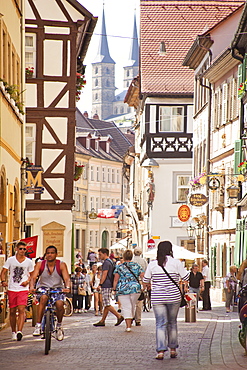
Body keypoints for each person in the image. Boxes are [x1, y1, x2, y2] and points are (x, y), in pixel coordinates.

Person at [143, 241, 189, 360]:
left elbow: (146, 280)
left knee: (160, 324)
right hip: (174, 297)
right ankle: (173, 350)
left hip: (158, 297)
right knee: (172, 323)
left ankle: (161, 351)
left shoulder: (152, 264)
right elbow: (185, 277)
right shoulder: (176, 263)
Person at [30, 245, 70, 340]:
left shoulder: (61, 264)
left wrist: (67, 287)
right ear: (45, 254)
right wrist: (32, 287)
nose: (50, 255)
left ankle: (59, 326)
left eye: (52, 253)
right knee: (43, 298)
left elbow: (66, 278)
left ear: (56, 254)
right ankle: (38, 326)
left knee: (60, 304)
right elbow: (33, 277)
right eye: (48, 253)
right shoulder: (40, 264)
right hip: (43, 287)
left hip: (57, 288)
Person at [0, 241, 34, 341]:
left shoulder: (28, 262)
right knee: (12, 311)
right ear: (16, 249)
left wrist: (27, 281)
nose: (22, 251)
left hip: (23, 289)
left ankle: (19, 331)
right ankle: (13, 331)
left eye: (24, 249)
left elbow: (32, 274)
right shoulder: (10, 260)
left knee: (21, 309)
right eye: (21, 249)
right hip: (12, 288)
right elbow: (3, 272)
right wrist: (3, 281)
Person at [113, 249, 144, 332]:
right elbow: (142, 277)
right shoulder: (137, 266)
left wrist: (114, 289)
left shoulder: (119, 267)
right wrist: (144, 286)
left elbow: (116, 279)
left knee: (126, 307)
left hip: (123, 288)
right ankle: (131, 320)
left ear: (124, 257)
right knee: (132, 306)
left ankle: (128, 326)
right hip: (135, 288)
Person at [93, 248, 124, 327]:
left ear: (105, 254)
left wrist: (100, 284)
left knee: (106, 303)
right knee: (106, 303)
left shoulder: (106, 263)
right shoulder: (111, 261)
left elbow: (104, 274)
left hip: (106, 284)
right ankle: (102, 320)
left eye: (100, 254)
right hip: (110, 283)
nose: (99, 256)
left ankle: (119, 316)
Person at [133, 247, 147, 326]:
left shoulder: (131, 261)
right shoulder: (144, 261)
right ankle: (138, 319)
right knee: (139, 302)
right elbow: (146, 272)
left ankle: (130, 317)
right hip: (140, 282)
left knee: (131, 301)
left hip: (131, 282)